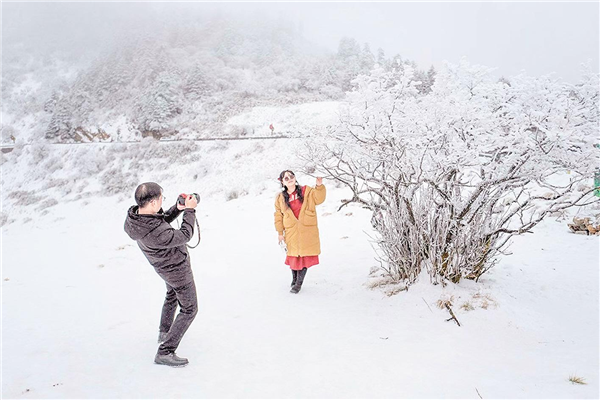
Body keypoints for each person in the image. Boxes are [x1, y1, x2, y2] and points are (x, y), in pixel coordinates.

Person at [124, 182, 199, 367]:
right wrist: (190, 210)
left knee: (171, 295)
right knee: (190, 309)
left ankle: (164, 332)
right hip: (177, 270)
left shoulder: (136, 219)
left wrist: (178, 208)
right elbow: (185, 234)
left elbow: (161, 221)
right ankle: (165, 351)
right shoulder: (157, 233)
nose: (161, 202)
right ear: (151, 203)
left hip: (163, 268)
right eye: (160, 199)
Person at [274, 170, 326, 293]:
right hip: (291, 231)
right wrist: (280, 233)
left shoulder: (306, 191)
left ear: (295, 177)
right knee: (293, 255)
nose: (289, 179)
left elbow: (319, 199)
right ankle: (294, 278)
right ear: (282, 182)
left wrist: (319, 186)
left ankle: (298, 283)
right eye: (286, 178)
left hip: (307, 229)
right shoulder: (280, 198)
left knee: (304, 255)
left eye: (291, 176)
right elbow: (278, 216)